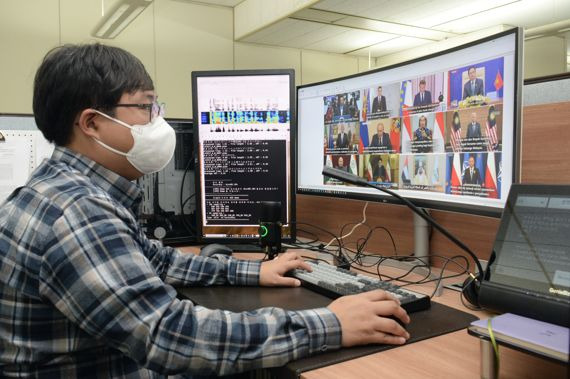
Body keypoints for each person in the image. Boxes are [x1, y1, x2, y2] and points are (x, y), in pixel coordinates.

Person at [0, 43, 410, 378]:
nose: (155, 120)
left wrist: (254, 271)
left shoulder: (66, 190)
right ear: (91, 123)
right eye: (145, 107)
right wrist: (330, 324)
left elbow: (154, 260)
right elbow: (169, 337)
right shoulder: (78, 211)